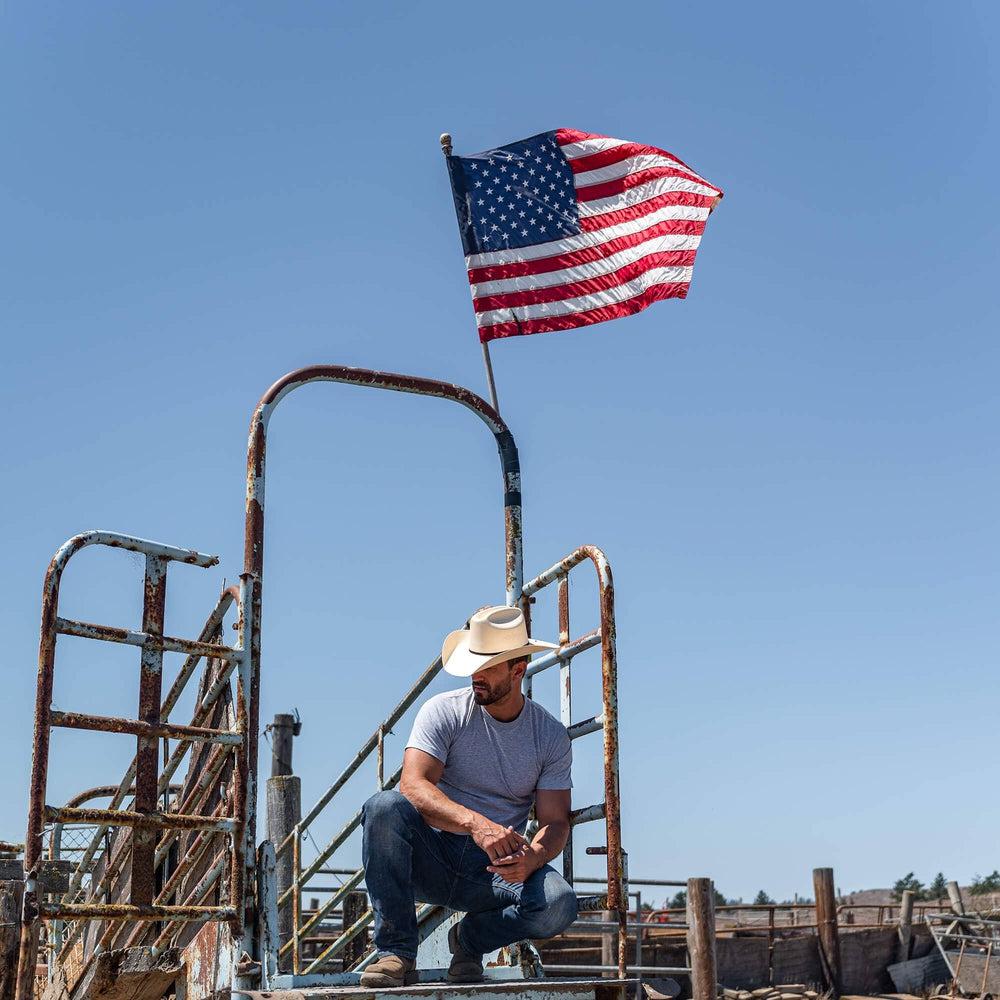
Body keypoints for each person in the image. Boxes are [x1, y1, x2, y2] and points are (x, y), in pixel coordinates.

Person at [359, 605, 579, 988]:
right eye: (473, 663)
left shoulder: (549, 735)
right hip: (431, 855)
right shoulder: (443, 711)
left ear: (518, 669)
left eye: (487, 666)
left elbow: (555, 821)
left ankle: (469, 940)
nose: (475, 674)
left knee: (558, 905)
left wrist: (535, 857)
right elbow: (412, 786)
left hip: (494, 870)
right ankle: (396, 953)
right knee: (383, 807)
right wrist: (476, 824)